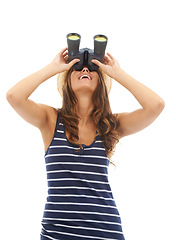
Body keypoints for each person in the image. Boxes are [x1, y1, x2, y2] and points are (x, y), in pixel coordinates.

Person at [6, 47, 165, 240]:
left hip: (105, 232)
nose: (85, 71)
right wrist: (53, 68)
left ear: (101, 83)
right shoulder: (50, 120)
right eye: (78, 67)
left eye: (92, 68)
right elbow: (14, 96)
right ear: (66, 82)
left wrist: (117, 73)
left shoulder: (111, 125)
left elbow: (156, 105)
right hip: (57, 233)